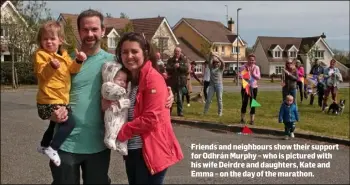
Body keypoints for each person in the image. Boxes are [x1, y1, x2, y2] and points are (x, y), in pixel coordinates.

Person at [48, 9, 174, 184]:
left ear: (103, 31)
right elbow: (47, 93)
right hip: (66, 144)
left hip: (98, 145)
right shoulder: (65, 62)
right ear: (79, 31)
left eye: (94, 29)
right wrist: (50, 112)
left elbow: (142, 82)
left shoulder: (116, 64)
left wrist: (168, 92)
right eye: (85, 29)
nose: (90, 34)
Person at [115, 32, 184, 184]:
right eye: (124, 52)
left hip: (149, 151)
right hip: (133, 150)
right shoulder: (128, 80)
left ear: (145, 53)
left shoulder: (152, 78)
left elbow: (151, 118)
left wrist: (121, 132)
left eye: (134, 51)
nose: (129, 56)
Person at [34, 20, 87, 167]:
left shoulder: (64, 55)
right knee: (70, 122)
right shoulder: (41, 55)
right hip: (49, 100)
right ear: (40, 41)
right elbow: (42, 74)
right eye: (45, 39)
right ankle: (53, 148)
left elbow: (72, 69)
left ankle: (44, 145)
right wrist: (51, 66)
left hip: (59, 99)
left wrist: (78, 60)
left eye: (52, 39)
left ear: (60, 40)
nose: (49, 42)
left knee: (53, 125)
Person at [101, 62, 129, 154]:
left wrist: (124, 102)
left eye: (124, 81)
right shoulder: (107, 85)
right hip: (112, 112)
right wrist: (121, 91)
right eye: (119, 79)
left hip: (122, 114)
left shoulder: (125, 91)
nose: (122, 82)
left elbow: (127, 102)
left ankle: (122, 143)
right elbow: (109, 92)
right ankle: (109, 138)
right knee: (112, 126)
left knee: (123, 128)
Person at [166, 47, 188, 116]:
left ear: (180, 52)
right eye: (175, 51)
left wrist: (179, 67)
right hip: (172, 81)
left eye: (178, 51)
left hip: (180, 82)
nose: (177, 53)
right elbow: (167, 69)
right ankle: (168, 112)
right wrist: (174, 67)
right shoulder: (170, 60)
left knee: (180, 98)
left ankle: (180, 112)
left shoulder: (184, 60)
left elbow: (186, 69)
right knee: (170, 97)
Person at [239, 54, 261, 125]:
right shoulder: (243, 67)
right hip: (246, 87)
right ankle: (242, 119)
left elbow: (258, 77)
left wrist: (253, 74)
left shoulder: (256, 67)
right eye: (250, 60)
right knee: (244, 102)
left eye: (253, 60)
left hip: (254, 87)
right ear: (247, 60)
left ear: (255, 60)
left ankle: (252, 120)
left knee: (253, 103)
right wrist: (247, 74)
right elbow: (241, 76)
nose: (251, 61)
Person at [203, 52, 225, 116]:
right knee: (208, 99)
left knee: (219, 99)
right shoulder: (211, 68)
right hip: (212, 85)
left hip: (219, 85)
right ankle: (205, 112)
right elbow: (209, 60)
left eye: (217, 62)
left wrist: (217, 56)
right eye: (215, 62)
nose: (216, 63)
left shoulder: (221, 69)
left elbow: (223, 63)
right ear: (213, 63)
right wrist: (211, 55)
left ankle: (220, 112)